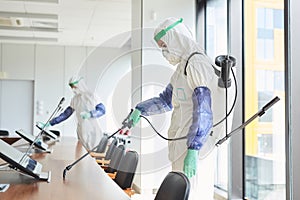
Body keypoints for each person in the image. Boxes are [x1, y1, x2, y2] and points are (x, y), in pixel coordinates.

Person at [129, 17, 235, 199]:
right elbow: (165, 100)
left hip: (194, 148)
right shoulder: (182, 67)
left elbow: (204, 109)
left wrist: (194, 148)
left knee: (192, 194)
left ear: (176, 39)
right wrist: (141, 109)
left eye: (164, 46)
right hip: (182, 144)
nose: (164, 52)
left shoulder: (197, 64)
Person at [38, 76, 106, 151]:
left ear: (80, 84)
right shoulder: (75, 99)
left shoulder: (91, 96)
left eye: (75, 87)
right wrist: (50, 123)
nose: (73, 89)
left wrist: (90, 114)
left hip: (93, 131)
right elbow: (65, 114)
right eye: (71, 87)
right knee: (82, 154)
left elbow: (102, 110)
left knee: (93, 153)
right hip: (81, 131)